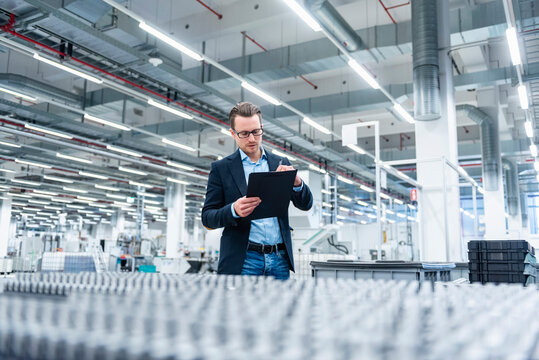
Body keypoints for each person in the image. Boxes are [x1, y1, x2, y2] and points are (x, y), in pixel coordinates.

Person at [202, 102, 313, 279]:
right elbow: (207, 217)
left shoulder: (280, 162)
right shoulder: (221, 169)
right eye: (244, 134)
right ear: (233, 134)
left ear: (261, 128)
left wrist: (297, 182)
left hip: (279, 259)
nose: (252, 139)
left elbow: (306, 204)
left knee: (281, 307)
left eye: (255, 132)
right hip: (244, 259)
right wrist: (234, 210)